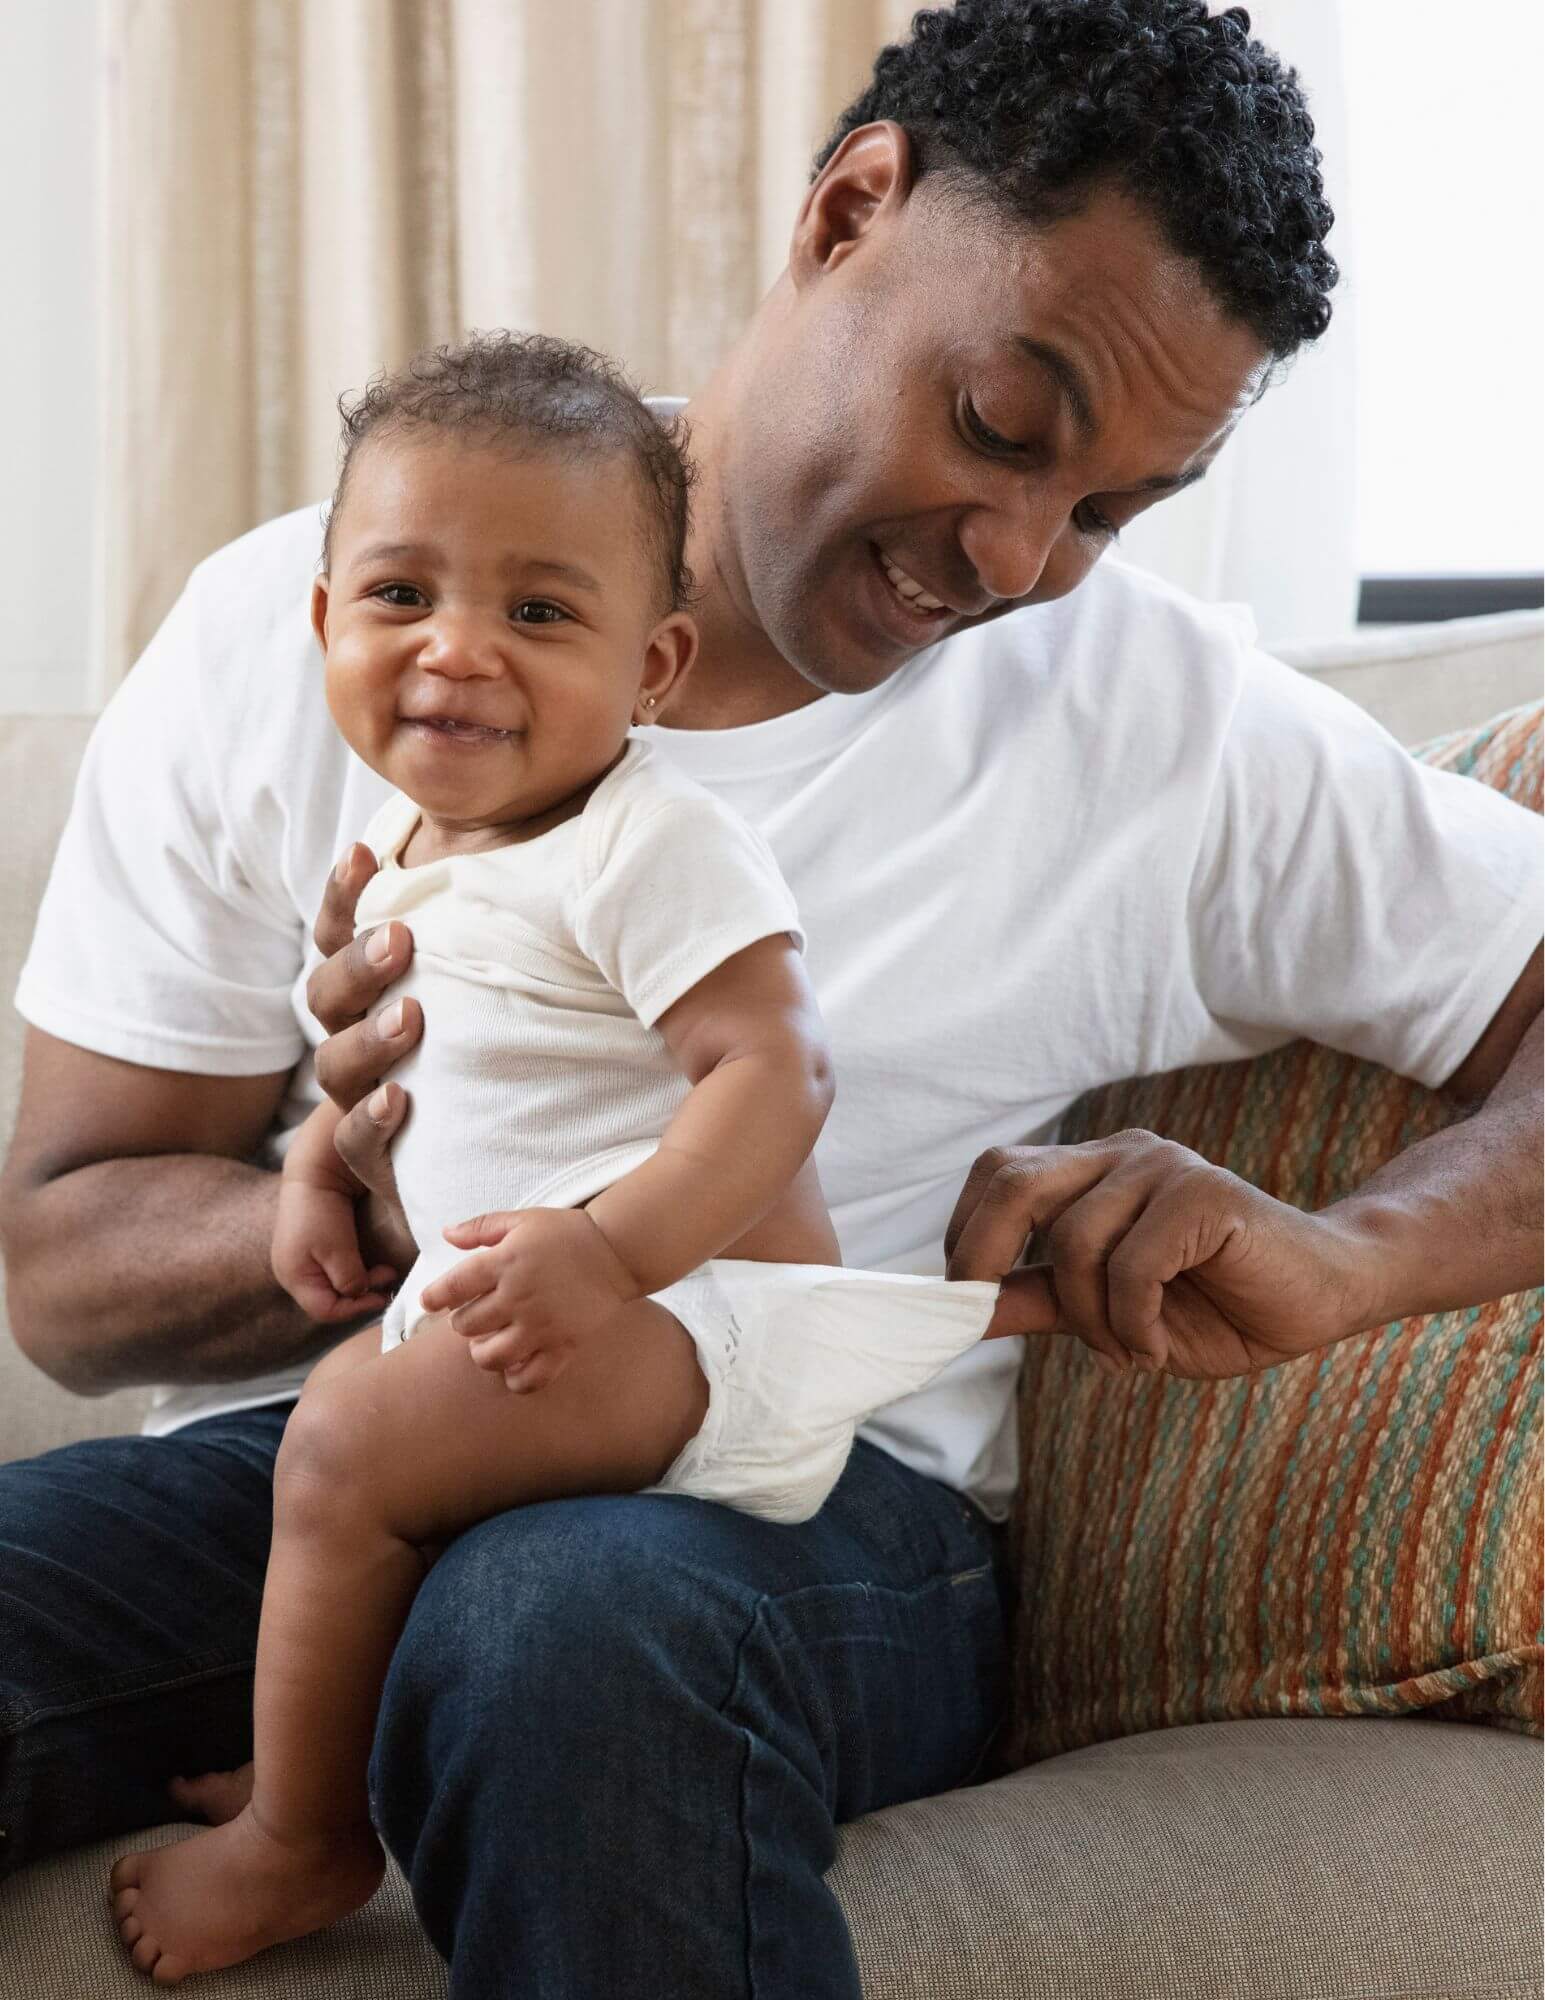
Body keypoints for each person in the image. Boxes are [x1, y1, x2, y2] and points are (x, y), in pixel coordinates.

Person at [2, 3, 1540, 1995]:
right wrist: (386, 1201)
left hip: (798, 1494)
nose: (1012, 555)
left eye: (1104, 511)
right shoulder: (319, 627)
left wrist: (1339, 1262)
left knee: (564, 1622)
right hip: (355, 1448)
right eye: (999, 426)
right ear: (845, 210)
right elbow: (66, 1262)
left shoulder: (1155, 729)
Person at [103, 330, 1004, 1982]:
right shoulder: (392, 854)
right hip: (573, 1314)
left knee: (343, 1445)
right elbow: (436, 1084)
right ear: (321, 625)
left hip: (711, 1331)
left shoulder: (649, 839)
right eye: (399, 597)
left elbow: (775, 1070)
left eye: (537, 611)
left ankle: (304, 1835)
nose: (457, 652)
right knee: (371, 1453)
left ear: (651, 668)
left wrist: (614, 1249)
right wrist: (322, 1163)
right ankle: (332, 1756)